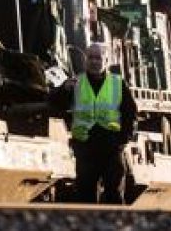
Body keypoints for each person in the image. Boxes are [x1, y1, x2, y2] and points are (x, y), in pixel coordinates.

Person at [49, 42, 137, 204]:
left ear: (107, 60)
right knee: (85, 193)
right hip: (86, 148)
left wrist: (123, 140)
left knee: (114, 193)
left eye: (98, 58)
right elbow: (56, 105)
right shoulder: (76, 83)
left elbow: (130, 113)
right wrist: (63, 90)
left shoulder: (118, 83)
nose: (94, 62)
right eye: (91, 58)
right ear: (85, 60)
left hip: (111, 147)